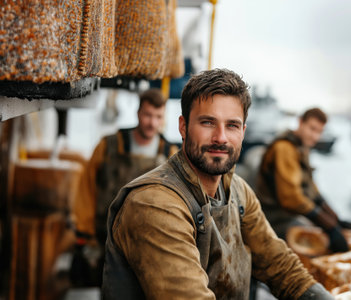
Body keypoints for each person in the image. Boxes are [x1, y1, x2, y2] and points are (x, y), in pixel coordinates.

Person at [102, 69, 334, 299]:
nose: (220, 137)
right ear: (183, 127)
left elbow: (280, 265)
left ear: (243, 132)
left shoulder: (239, 192)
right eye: (207, 122)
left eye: (232, 125)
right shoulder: (154, 204)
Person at [71, 88, 178, 286]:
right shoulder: (109, 146)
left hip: (149, 246)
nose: (152, 122)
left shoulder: (170, 154)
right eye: (147, 115)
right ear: (138, 113)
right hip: (104, 239)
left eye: (158, 117)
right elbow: (85, 189)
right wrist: (84, 234)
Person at [255, 108, 351, 253]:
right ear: (300, 122)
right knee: (322, 246)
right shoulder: (284, 148)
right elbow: (292, 199)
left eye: (319, 132)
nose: (315, 137)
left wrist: (336, 221)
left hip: (287, 216)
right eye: (312, 129)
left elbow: (312, 191)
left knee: (332, 236)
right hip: (273, 219)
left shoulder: (301, 147)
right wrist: (330, 228)